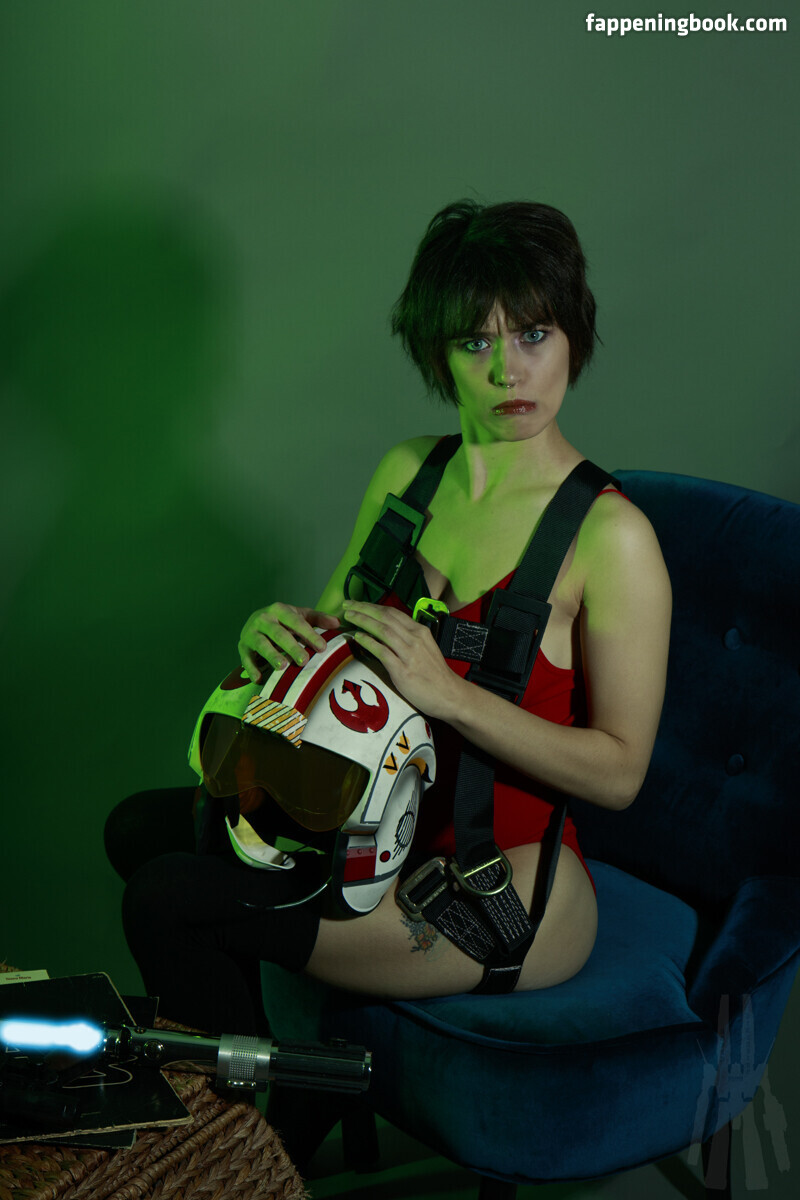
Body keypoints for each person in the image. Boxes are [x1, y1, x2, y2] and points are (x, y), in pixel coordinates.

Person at [106, 199, 671, 1040]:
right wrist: (272, 637)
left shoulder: (611, 536)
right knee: (137, 829)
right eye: (476, 342)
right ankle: (278, 1082)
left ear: (572, 337)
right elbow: (337, 649)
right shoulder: (409, 473)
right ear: (437, 353)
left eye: (534, 334)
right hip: (369, 825)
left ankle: (239, 1122)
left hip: (500, 877)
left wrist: (452, 695)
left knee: (169, 900)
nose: (508, 371)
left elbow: (621, 773)